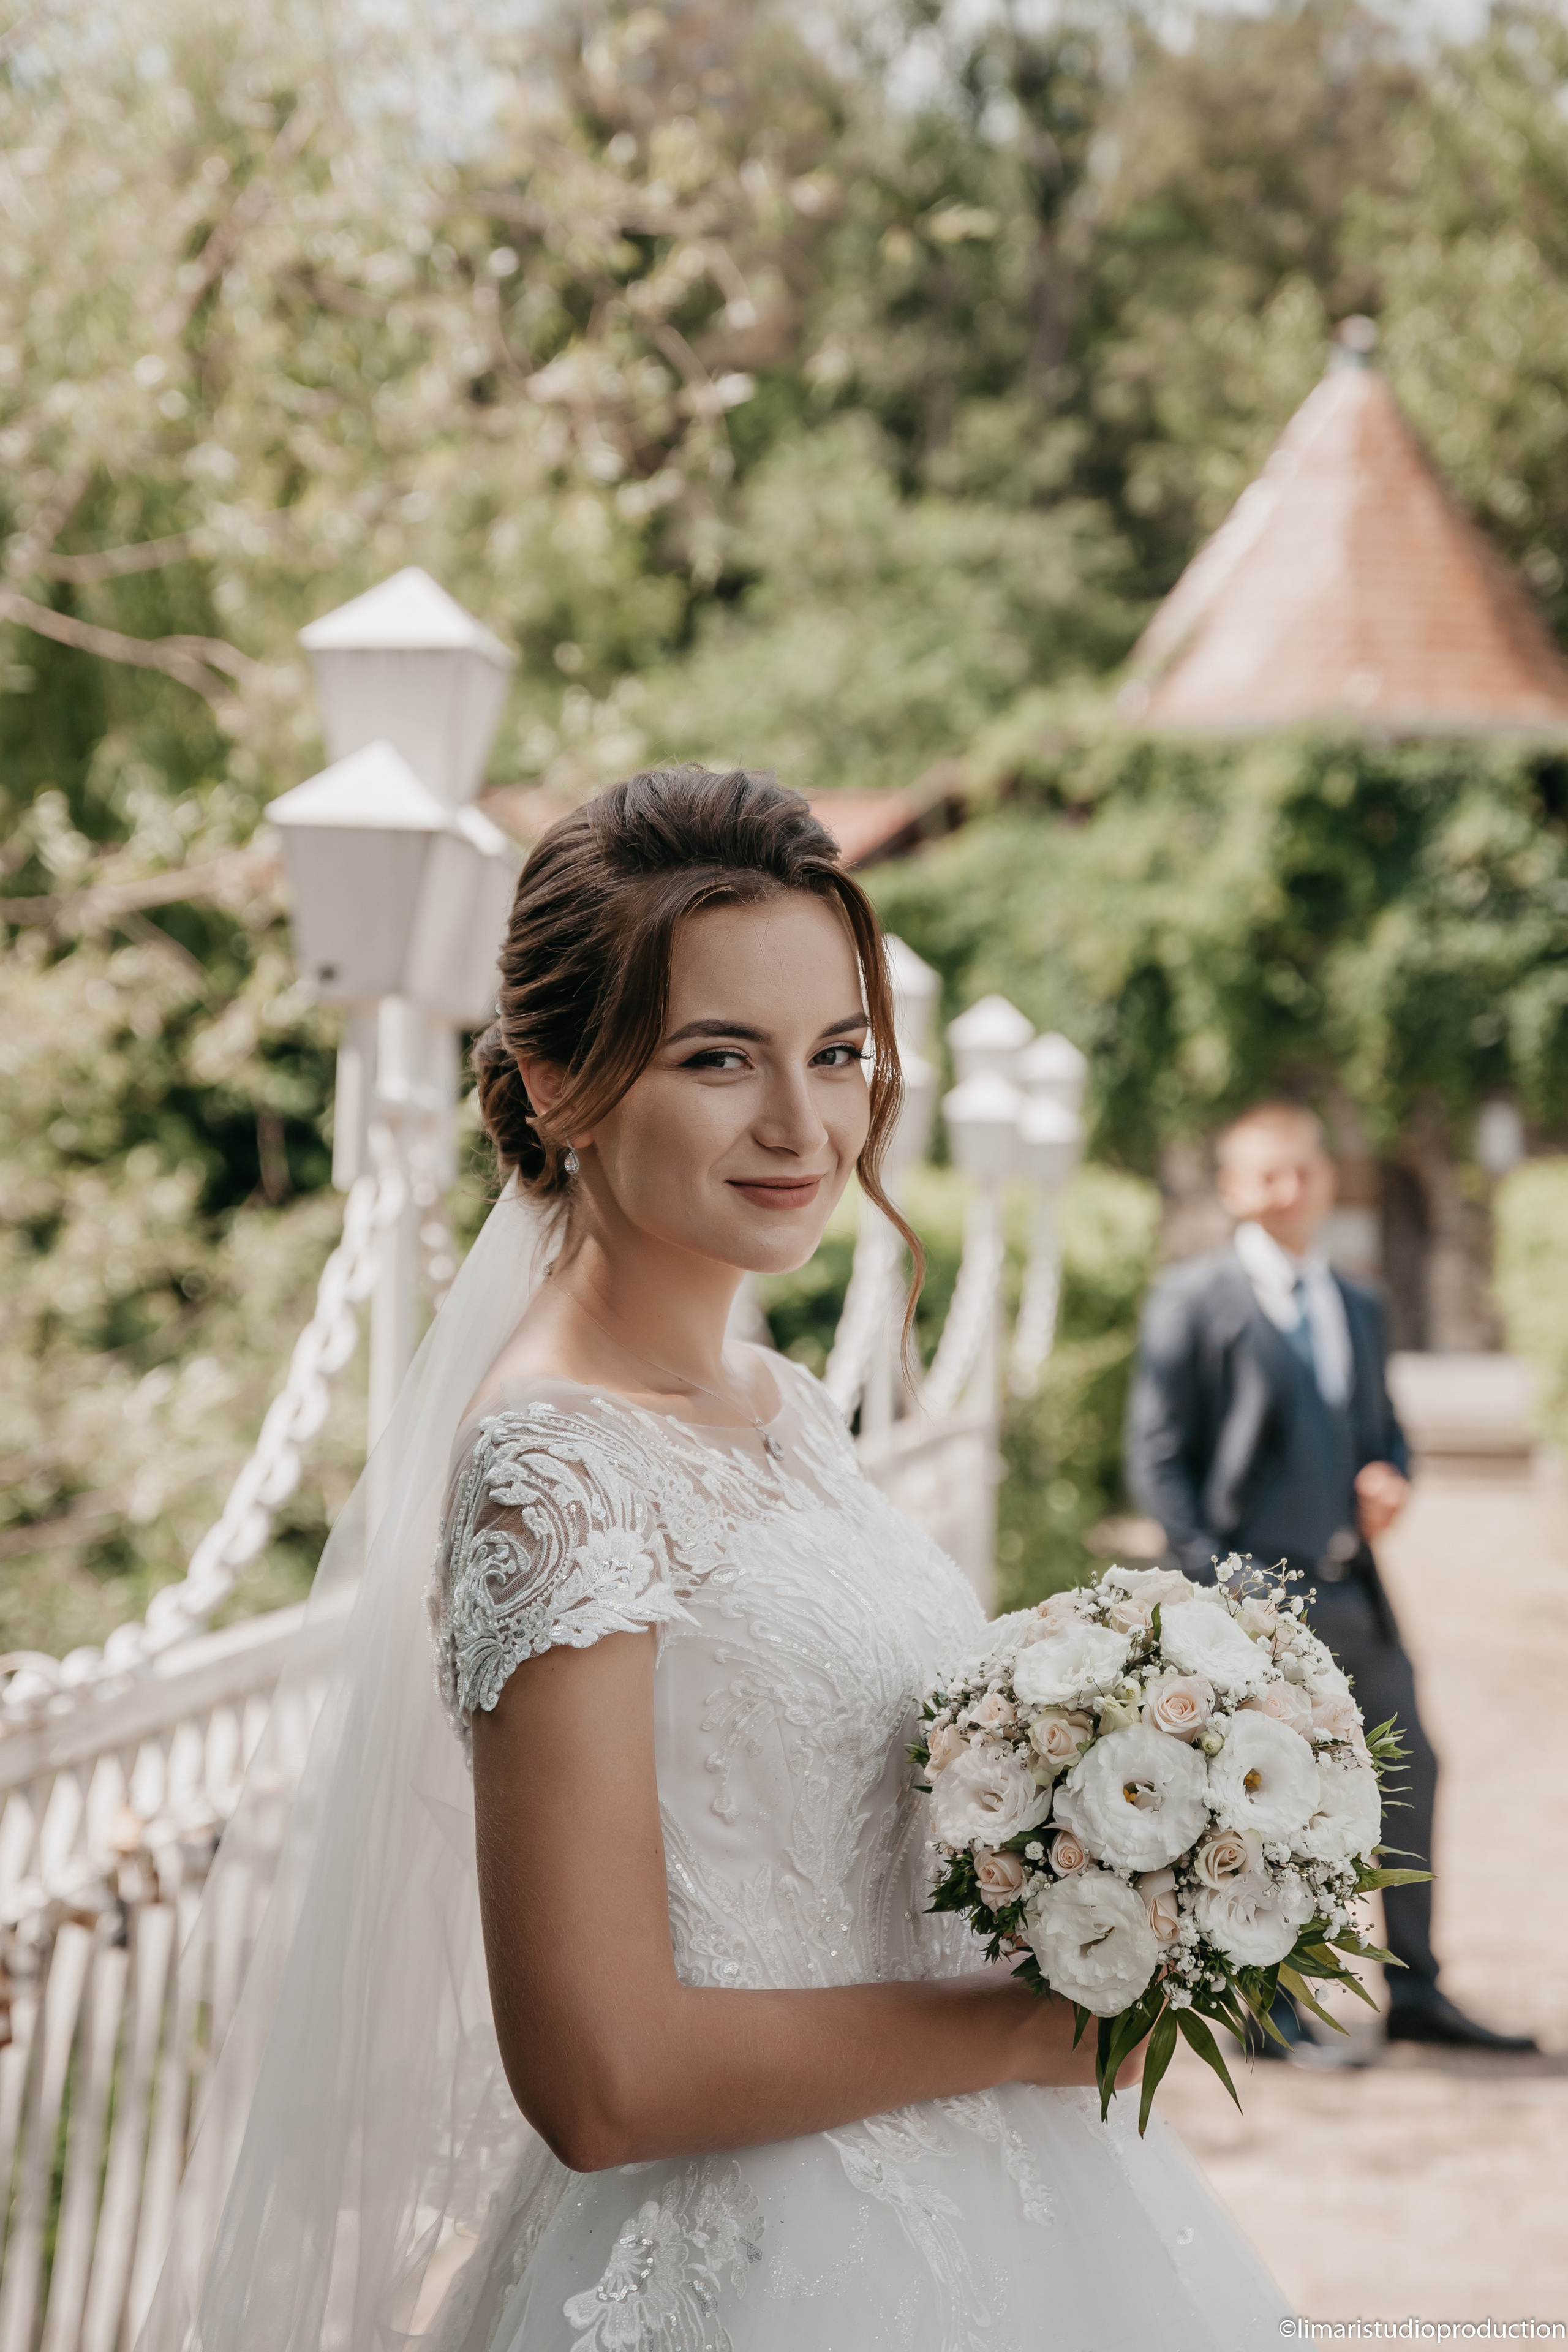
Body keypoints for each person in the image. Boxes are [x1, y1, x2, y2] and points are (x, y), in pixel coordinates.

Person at [142, 768, 1291, 2350]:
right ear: (557, 1084)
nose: (804, 1127)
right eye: (718, 1060)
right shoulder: (549, 1474)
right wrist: (1025, 2031)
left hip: (1000, 2214)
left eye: (838, 1055)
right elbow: (603, 2079)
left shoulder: (787, 1406)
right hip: (750, 2271)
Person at [1126, 1098, 1534, 2056]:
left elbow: (1380, 1426)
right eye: (1264, 1174)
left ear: (1323, 1181)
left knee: (1414, 1771)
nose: (1286, 1190)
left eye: (1301, 1171)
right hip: (1248, 1602)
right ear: (1233, 1188)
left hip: (1354, 1586)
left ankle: (1422, 1992)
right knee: (1267, 1798)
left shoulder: (1357, 1301)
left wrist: (1395, 1475)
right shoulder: (1195, 1299)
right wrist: (1209, 1589)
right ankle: (1265, 2009)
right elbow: (1158, 1456)